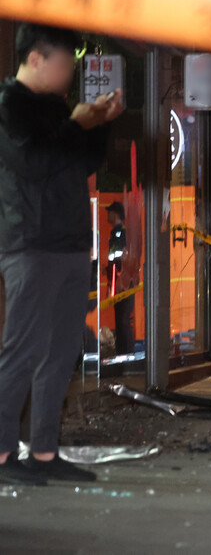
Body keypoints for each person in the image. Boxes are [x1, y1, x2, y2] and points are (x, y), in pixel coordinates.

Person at [0, 24, 123, 486]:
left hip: (71, 244)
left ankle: (44, 452)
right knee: (23, 350)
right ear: (36, 58)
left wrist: (100, 123)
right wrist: (76, 124)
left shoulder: (56, 108)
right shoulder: (9, 105)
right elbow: (33, 163)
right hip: (31, 243)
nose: (70, 71)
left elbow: (83, 162)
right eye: (64, 62)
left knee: (62, 351)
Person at [106, 201, 135, 356]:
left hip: (123, 283)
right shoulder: (115, 234)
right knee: (120, 320)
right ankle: (122, 353)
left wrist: (120, 281)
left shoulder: (122, 233)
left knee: (123, 320)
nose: (107, 214)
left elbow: (124, 259)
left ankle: (127, 354)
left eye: (109, 211)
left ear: (115, 213)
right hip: (117, 283)